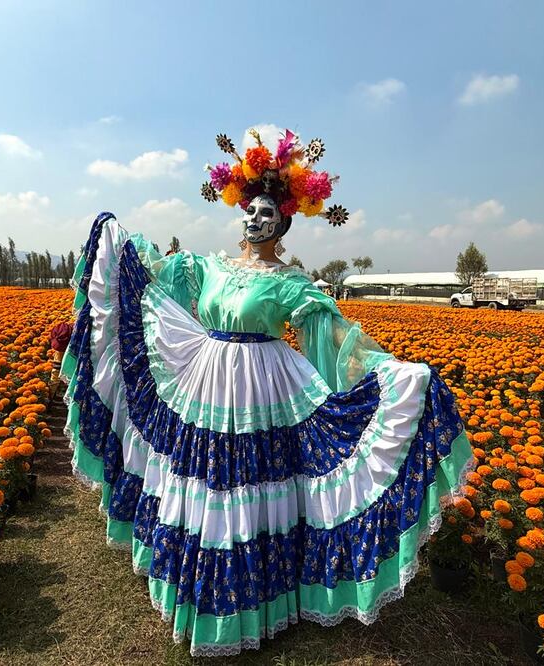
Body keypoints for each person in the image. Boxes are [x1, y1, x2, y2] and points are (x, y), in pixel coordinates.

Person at [61, 128, 473, 657]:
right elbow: (156, 283)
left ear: (284, 223)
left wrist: (391, 372)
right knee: (206, 478)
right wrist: (121, 245)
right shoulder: (207, 266)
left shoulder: (292, 283)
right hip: (205, 377)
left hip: (264, 388)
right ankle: (201, 589)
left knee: (249, 485)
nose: (255, 219)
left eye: (266, 214)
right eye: (249, 211)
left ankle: (254, 599)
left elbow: (338, 337)